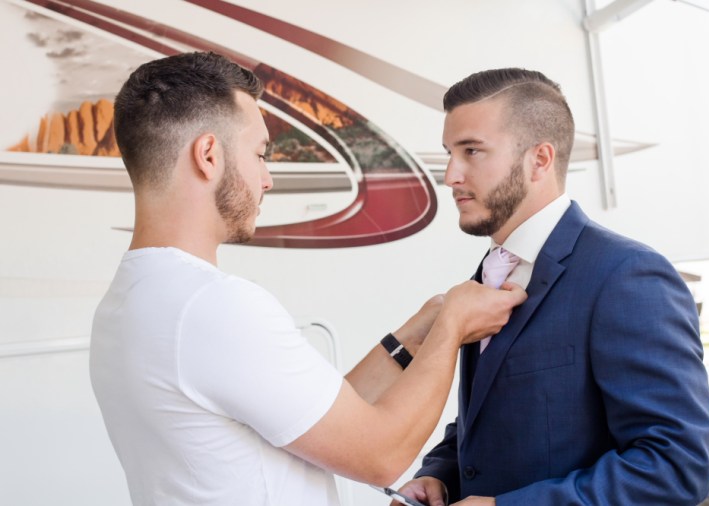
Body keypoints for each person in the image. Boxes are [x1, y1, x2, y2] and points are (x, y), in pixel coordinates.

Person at [89, 52, 527, 506]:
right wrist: (452, 327)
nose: (266, 179)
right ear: (208, 156)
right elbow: (379, 454)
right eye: (259, 155)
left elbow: (314, 419)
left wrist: (411, 340)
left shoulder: (129, 301)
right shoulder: (214, 307)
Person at [394, 68, 709, 505]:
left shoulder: (627, 276)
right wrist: (440, 475)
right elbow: (491, 416)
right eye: (450, 153)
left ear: (540, 160)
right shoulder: (490, 272)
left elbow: (676, 466)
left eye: (472, 151)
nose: (450, 175)